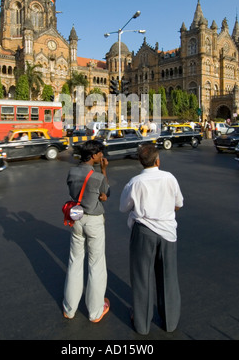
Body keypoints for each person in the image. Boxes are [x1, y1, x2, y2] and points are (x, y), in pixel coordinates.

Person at [120, 142, 183, 335]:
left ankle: (142, 324)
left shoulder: (135, 182)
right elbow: (178, 204)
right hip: (167, 232)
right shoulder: (169, 178)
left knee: (142, 278)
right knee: (168, 277)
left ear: (140, 161)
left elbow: (124, 208)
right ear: (158, 160)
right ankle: (170, 322)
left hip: (143, 232)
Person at [63, 140, 110, 323]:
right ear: (93, 156)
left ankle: (70, 308)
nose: (102, 157)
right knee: (96, 265)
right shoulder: (97, 176)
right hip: (93, 220)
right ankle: (95, 311)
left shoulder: (72, 172)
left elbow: (74, 191)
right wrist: (104, 170)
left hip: (76, 218)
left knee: (75, 261)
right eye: (100, 154)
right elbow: (106, 192)